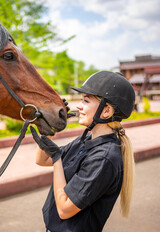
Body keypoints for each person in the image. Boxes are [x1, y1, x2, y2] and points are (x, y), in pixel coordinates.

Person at [30, 71, 136, 232]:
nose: (79, 106)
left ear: (106, 111)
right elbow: (42, 160)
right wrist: (47, 128)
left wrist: (57, 159)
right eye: (81, 100)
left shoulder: (104, 158)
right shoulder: (86, 140)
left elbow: (64, 209)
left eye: (86, 101)